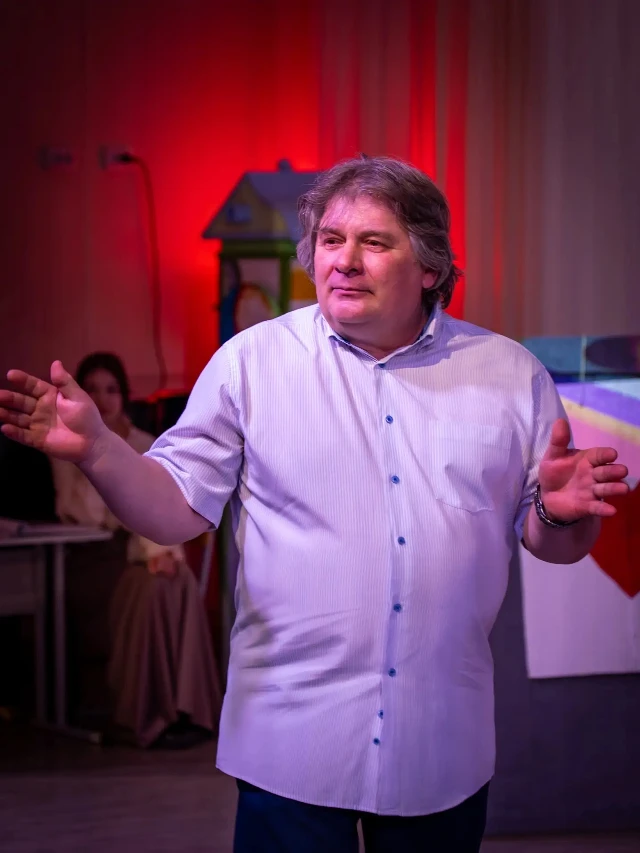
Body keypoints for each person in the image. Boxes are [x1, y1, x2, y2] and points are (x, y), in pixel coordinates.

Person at [0, 157, 629, 852]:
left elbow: (552, 543)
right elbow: (173, 509)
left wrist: (563, 512)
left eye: (374, 242)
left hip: (440, 746)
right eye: (331, 240)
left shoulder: (510, 376)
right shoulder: (250, 364)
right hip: (289, 745)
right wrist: (99, 450)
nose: (344, 261)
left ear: (430, 267)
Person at [49, 352, 220, 748]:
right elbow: (84, 512)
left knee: (175, 579)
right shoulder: (64, 442)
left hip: (139, 547)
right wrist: (99, 459)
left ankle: (184, 712)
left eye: (111, 390)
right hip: (91, 554)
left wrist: (163, 553)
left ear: (124, 396)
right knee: (152, 583)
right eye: (92, 389)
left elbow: (159, 505)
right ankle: (148, 717)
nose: (102, 399)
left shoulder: (145, 443)